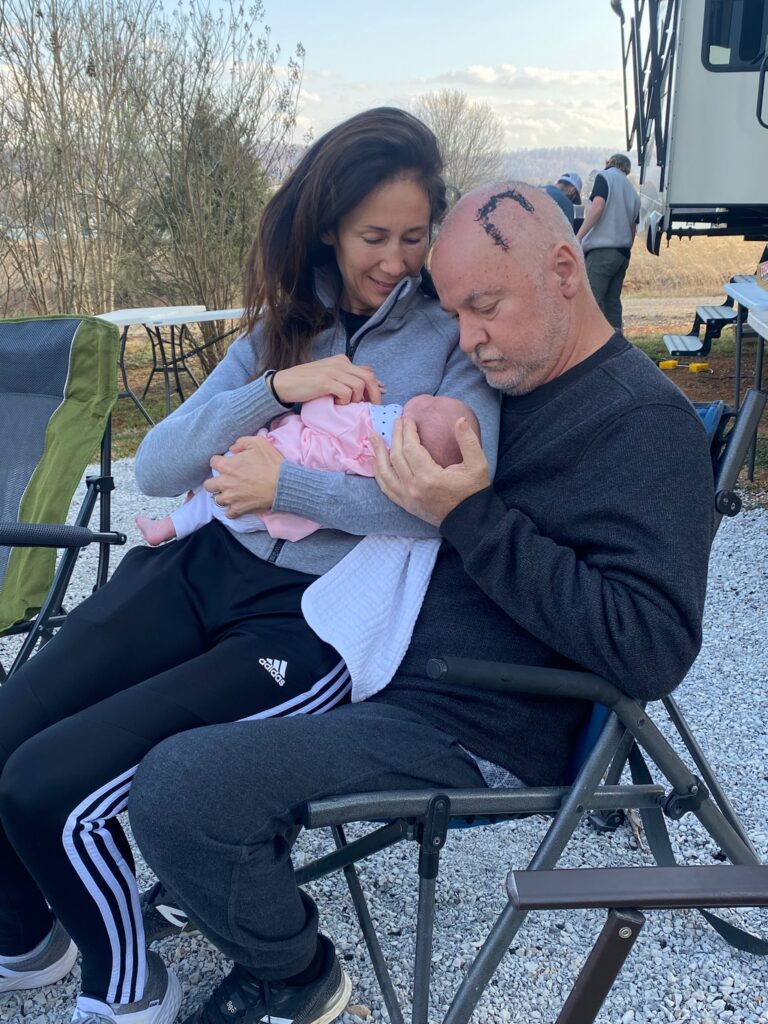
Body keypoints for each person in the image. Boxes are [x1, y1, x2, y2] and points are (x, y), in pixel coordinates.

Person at [127, 181, 714, 1024]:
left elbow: (651, 647)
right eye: (454, 314)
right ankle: (204, 867)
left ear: (564, 269)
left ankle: (293, 975)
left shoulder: (640, 427)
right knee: (138, 685)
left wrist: (470, 517)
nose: (468, 342)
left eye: (484, 309)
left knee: (179, 787)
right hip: (380, 652)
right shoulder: (515, 380)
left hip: (468, 715)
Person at [0, 108, 499, 1024]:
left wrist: (291, 481)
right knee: (5, 731)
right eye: (372, 237)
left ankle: (132, 992)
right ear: (326, 228)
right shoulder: (287, 323)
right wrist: (276, 388)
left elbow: (444, 507)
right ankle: (31, 933)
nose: (395, 259)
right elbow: (158, 466)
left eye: (413, 236)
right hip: (201, 565)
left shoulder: (450, 340)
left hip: (308, 618)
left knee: (48, 783)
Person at [135, 394, 480, 545]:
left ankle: (170, 524)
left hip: (264, 471)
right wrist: (272, 387)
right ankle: (179, 518)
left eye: (433, 404)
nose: (429, 397)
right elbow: (153, 471)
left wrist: (322, 393)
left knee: (216, 480)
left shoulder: (371, 421)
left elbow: (317, 415)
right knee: (211, 502)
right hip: (277, 521)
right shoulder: (389, 464)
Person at [576, 153, 640, 330]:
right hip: (623, 253)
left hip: (602, 252)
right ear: (626, 170)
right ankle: (616, 345)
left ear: (609, 163)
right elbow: (633, 228)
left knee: (592, 302)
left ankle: (593, 350)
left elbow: (597, 207)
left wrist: (578, 236)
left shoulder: (604, 177)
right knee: (612, 303)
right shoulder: (633, 192)